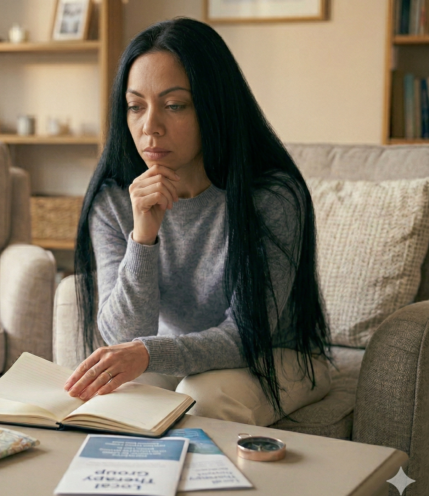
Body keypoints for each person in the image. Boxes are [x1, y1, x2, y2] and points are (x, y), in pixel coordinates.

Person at [63, 17, 332, 426]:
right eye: (136, 106)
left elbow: (247, 334)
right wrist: (143, 236)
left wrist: (150, 353)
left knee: (202, 398)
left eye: (174, 105)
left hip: (277, 354)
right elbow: (123, 336)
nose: (150, 127)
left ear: (213, 106)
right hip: (179, 352)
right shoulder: (114, 198)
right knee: (112, 399)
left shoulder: (271, 196)